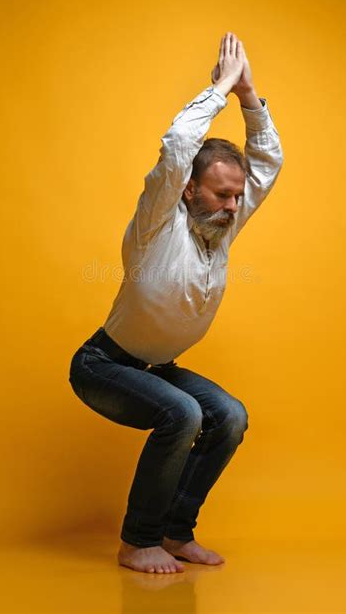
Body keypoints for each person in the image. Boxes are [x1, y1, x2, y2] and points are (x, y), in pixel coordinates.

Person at [68, 32, 284, 574]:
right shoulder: (156, 224)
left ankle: (175, 532)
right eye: (221, 194)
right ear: (189, 190)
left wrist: (251, 96)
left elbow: (267, 163)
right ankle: (137, 541)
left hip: (156, 368)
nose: (234, 205)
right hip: (102, 367)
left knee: (229, 416)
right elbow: (176, 149)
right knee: (183, 413)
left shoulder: (221, 230)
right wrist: (220, 90)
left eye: (239, 196)